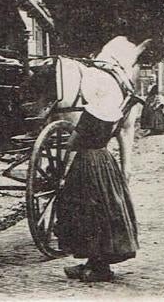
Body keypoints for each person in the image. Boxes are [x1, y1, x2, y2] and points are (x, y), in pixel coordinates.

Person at [55, 99, 139, 283]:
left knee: (87, 212)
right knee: (104, 210)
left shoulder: (88, 116)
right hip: (105, 160)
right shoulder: (113, 117)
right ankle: (93, 262)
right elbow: (118, 135)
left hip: (86, 162)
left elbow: (72, 142)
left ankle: (101, 268)